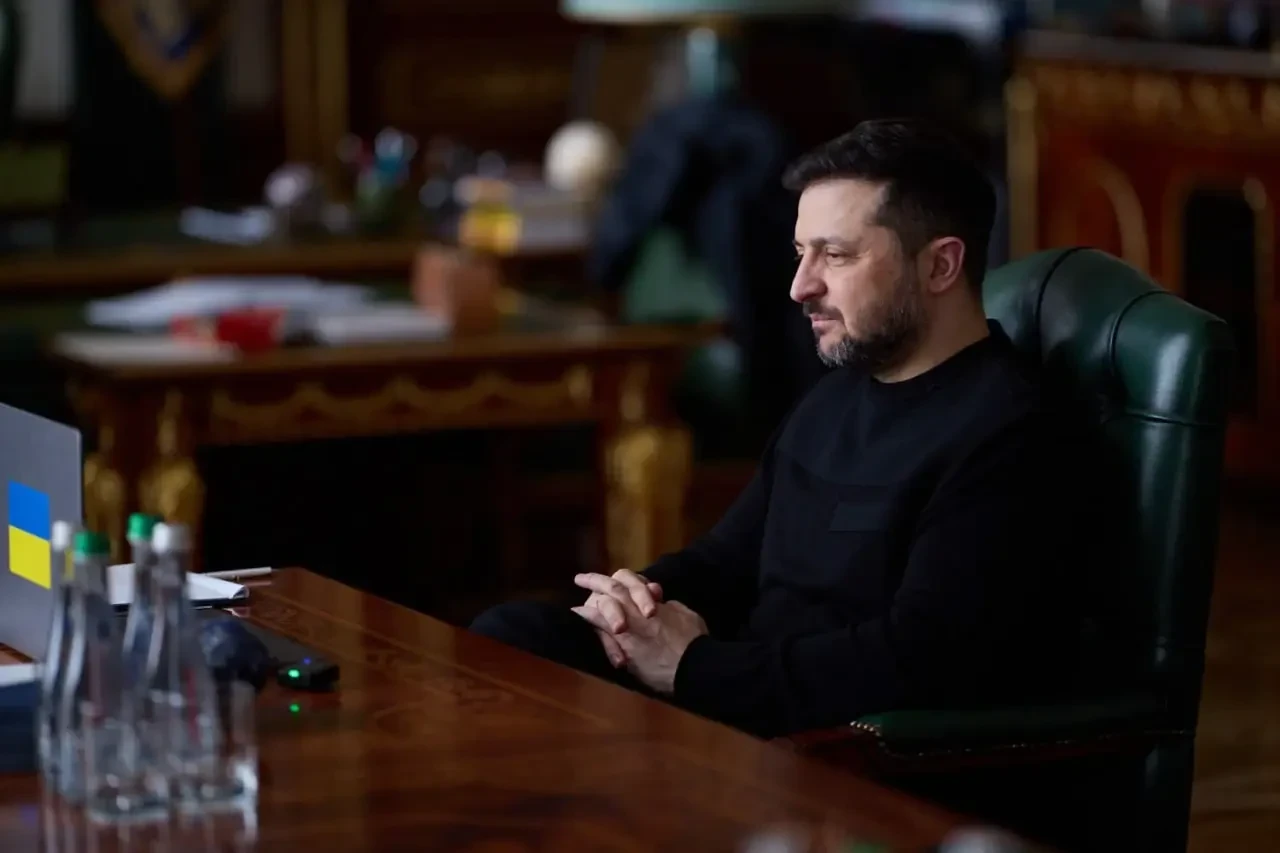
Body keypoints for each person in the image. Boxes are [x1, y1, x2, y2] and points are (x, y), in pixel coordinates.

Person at [470, 118, 1084, 739]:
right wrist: (631, 611)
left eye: (835, 255)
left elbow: (918, 657)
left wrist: (695, 669)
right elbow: (726, 561)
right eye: (800, 253)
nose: (799, 287)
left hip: (829, 744)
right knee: (512, 637)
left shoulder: (1011, 433)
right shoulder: (837, 395)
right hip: (737, 691)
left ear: (940, 266)